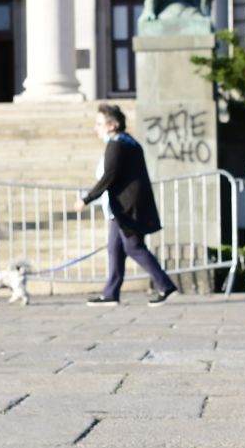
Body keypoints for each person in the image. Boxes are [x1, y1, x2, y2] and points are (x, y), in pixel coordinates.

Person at [76, 103, 179, 307]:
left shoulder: (118, 144)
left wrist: (86, 199)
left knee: (133, 247)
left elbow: (109, 176)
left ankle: (166, 286)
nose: (96, 128)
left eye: (99, 124)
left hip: (128, 208)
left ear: (112, 125)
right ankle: (111, 293)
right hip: (121, 208)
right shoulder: (128, 142)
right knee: (115, 248)